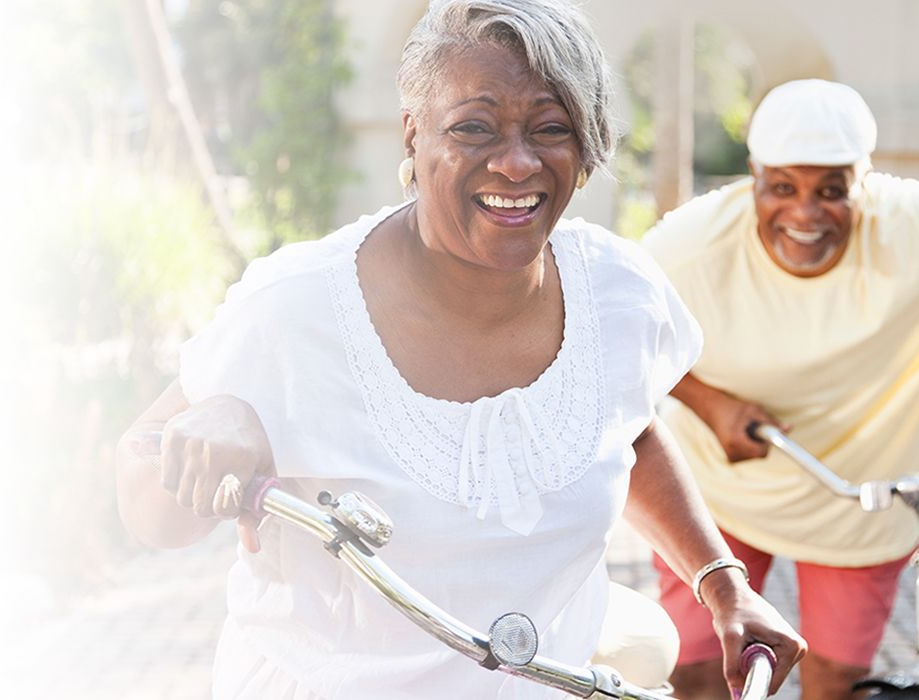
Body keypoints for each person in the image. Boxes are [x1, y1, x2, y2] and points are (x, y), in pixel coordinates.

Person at [116, 1, 804, 697]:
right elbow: (148, 509)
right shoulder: (297, 308)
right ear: (412, 135)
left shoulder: (619, 292)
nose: (516, 162)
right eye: (474, 127)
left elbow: (625, 429)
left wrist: (723, 584)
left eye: (552, 129)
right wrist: (213, 421)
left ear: (586, 147)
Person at [642, 78, 919, 699]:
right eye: (782, 188)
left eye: (832, 190)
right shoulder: (688, 245)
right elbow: (606, 334)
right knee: (694, 670)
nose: (804, 213)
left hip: (858, 507)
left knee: (834, 682)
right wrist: (708, 401)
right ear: (753, 175)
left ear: (865, 178)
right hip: (718, 495)